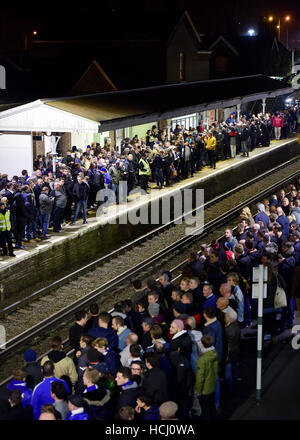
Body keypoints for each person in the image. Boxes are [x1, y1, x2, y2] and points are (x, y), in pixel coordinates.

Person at [195, 334, 218, 420]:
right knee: (211, 407)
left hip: (204, 389)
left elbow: (200, 377)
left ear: (203, 344)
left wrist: (199, 390)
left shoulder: (202, 359)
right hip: (212, 384)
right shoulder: (214, 353)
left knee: (205, 411)